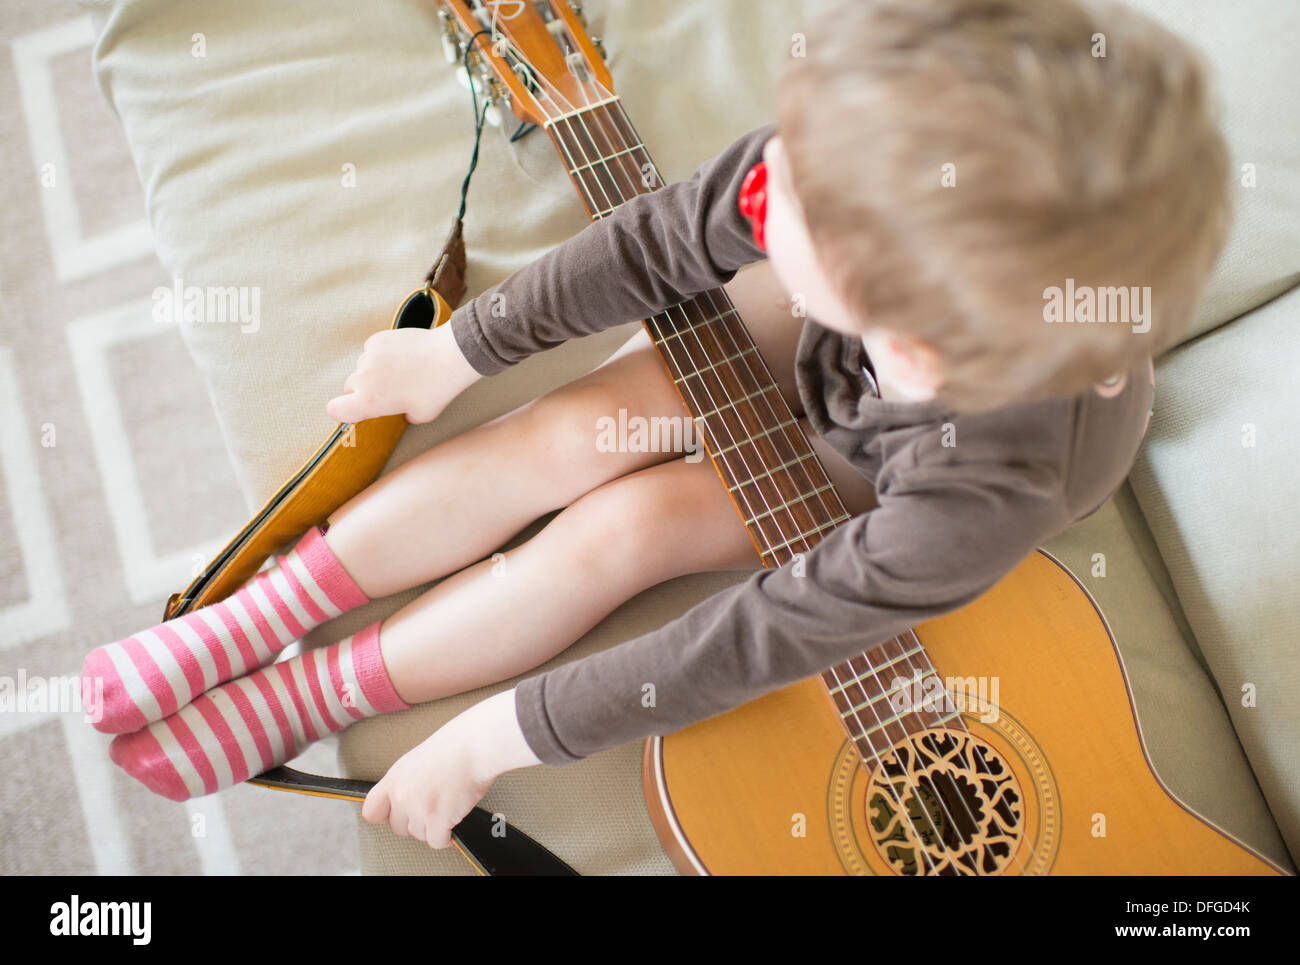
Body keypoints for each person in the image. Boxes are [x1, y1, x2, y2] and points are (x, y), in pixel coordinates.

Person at [81, 0, 1228, 851]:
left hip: (893, 458)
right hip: (892, 339)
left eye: (793, 220)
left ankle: (307, 693)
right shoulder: (849, 166)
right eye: (789, 175)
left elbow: (754, 637)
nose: (765, 197)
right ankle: (255, 619)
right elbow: (660, 240)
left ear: (916, 336)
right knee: (579, 425)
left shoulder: (978, 498)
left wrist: (489, 738)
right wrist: (456, 350)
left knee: (625, 532)